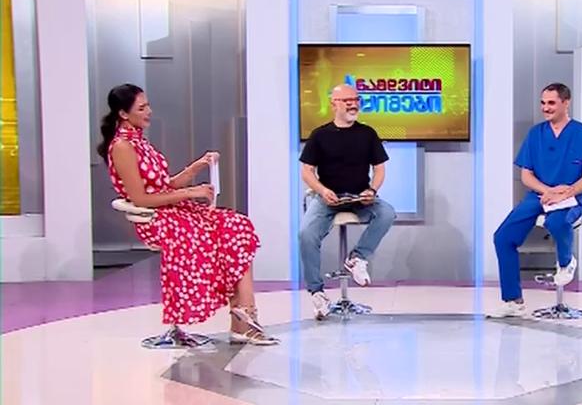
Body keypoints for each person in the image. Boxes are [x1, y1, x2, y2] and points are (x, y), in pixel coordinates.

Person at [97, 83, 277, 345]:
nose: (149, 111)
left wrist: (197, 166)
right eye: (142, 108)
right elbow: (141, 198)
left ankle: (243, 318)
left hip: (174, 211)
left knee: (236, 226)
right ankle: (245, 320)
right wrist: (190, 193)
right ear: (123, 114)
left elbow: (165, 185)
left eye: (148, 105)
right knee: (221, 234)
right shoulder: (122, 147)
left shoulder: (140, 141)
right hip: (155, 219)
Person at [492, 82, 582, 317]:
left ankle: (566, 261)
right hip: (540, 195)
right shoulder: (536, 134)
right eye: (543, 103)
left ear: (566, 103)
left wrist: (567, 191)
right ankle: (513, 301)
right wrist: (548, 191)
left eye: (551, 103)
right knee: (503, 237)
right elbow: (526, 175)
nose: (545, 108)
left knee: (556, 222)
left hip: (572, 195)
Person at [299, 83, 396, 320]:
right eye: (347, 100)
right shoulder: (319, 135)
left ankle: (357, 258)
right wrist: (322, 191)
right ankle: (317, 293)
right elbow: (307, 172)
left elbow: (380, 169)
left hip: (360, 197)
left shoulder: (368, 133)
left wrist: (372, 190)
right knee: (305, 234)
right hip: (328, 198)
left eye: (356, 100)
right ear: (334, 104)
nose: (353, 104)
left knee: (387, 212)